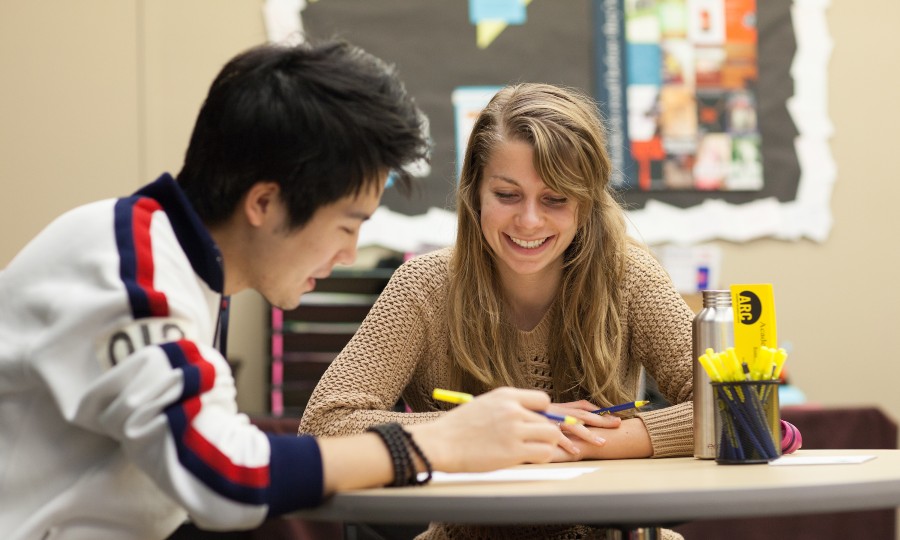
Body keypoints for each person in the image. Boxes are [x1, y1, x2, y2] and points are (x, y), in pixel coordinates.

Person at [0, 41, 565, 540]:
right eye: (347, 225)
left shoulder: (182, 265)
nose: (349, 254)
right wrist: (435, 444)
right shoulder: (130, 271)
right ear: (264, 203)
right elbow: (225, 475)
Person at [300, 83, 695, 539]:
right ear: (475, 193)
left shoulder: (628, 277)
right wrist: (479, 431)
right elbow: (324, 428)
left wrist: (577, 443)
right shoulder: (422, 288)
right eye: (508, 195)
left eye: (555, 199)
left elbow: (735, 410)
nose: (529, 220)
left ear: (586, 204)